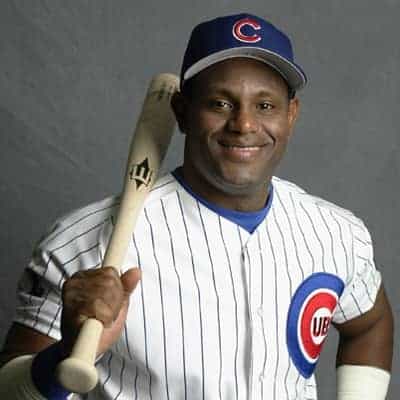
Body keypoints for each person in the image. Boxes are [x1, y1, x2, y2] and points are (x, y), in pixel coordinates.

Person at [0, 12, 393, 400]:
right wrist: (64, 356)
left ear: (291, 115)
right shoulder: (86, 242)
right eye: (220, 104)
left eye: (265, 106)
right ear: (181, 112)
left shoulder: (336, 232)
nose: (244, 124)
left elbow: (370, 326)